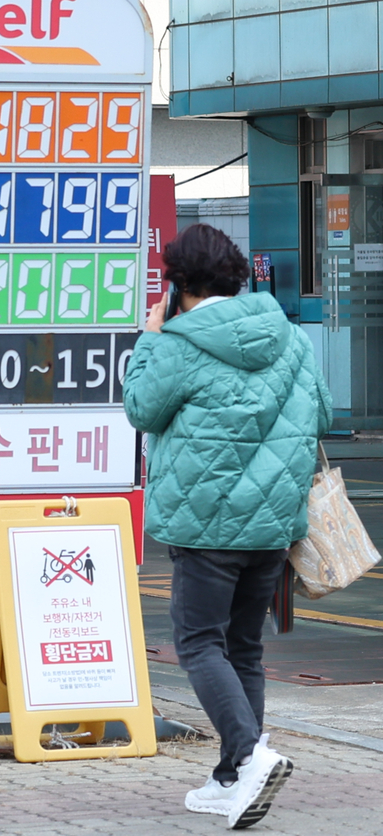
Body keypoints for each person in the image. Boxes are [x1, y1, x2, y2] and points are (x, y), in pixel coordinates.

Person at [123, 223, 331, 830]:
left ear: (177, 285)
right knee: (243, 647)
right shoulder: (290, 338)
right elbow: (320, 413)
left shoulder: (178, 343)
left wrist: (150, 339)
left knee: (197, 643)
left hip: (204, 525)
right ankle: (229, 781)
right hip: (272, 524)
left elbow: (140, 408)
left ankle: (250, 755)